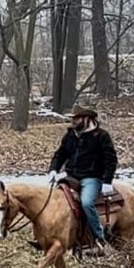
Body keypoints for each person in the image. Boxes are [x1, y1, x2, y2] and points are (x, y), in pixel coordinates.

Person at [47, 104, 118, 256]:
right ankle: (51, 236)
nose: (73, 121)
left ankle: (99, 240)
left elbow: (110, 160)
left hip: (92, 178)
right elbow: (60, 154)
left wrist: (107, 182)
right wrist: (53, 169)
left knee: (86, 203)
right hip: (70, 176)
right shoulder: (70, 135)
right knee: (51, 199)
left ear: (87, 119)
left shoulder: (101, 136)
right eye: (73, 118)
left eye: (77, 118)